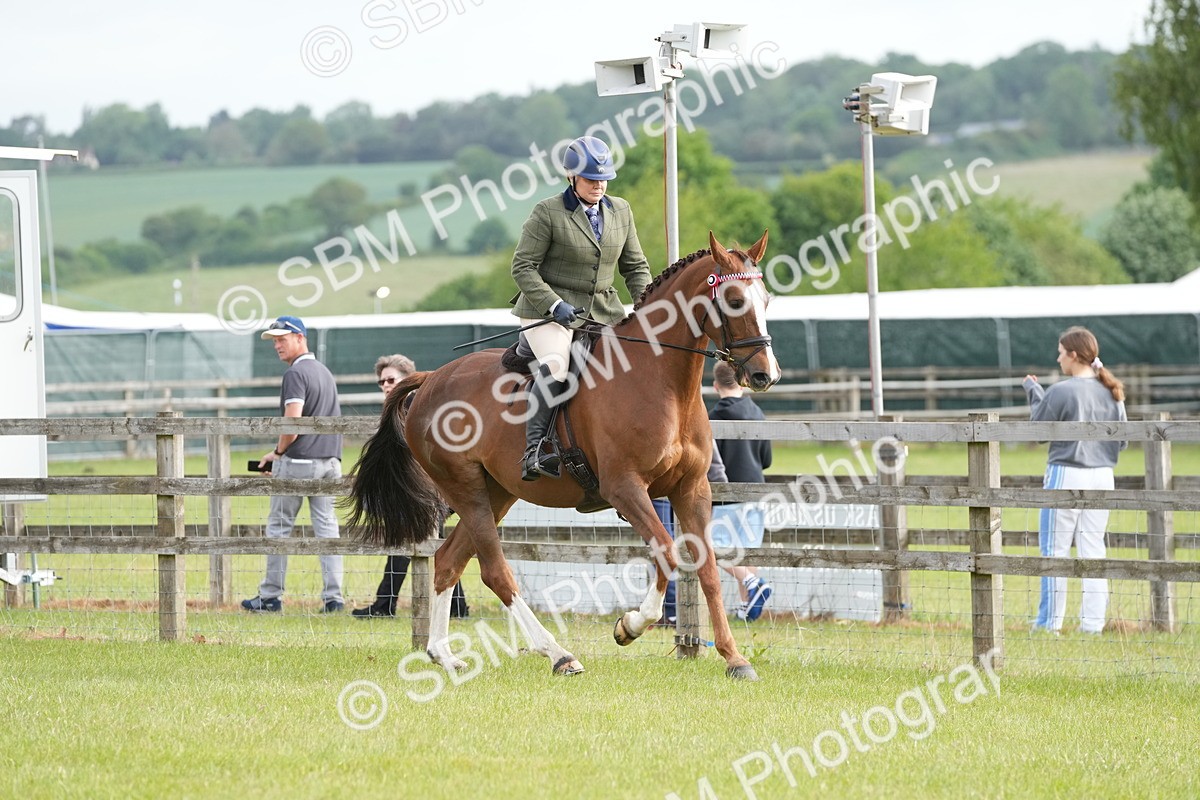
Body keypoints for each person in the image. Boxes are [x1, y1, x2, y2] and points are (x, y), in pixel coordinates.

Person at [510, 135, 652, 481]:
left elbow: (635, 267)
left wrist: (648, 309)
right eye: (591, 179)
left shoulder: (621, 211)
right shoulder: (548, 212)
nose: (599, 185)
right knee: (558, 365)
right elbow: (522, 267)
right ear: (572, 178)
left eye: (604, 179)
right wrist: (553, 304)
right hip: (548, 313)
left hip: (604, 309)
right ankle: (535, 450)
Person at [1024, 326, 1126, 635]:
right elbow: (1121, 441)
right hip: (1103, 475)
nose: (1057, 359)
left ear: (1072, 355)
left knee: (1054, 550)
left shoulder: (1061, 390)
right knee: (1093, 550)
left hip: (1066, 471)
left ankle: (1048, 624)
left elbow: (1038, 431)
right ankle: (1092, 625)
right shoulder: (1113, 392)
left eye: (1060, 353)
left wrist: (1033, 391)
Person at [242, 315, 345, 614]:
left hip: (300, 461)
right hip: (330, 461)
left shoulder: (295, 374)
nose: (276, 345)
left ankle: (270, 596)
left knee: (278, 528)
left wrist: (277, 452)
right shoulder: (324, 372)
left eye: (282, 338)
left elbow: (293, 421)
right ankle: (333, 598)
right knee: (327, 530)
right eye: (274, 340)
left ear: (300, 337)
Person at [352, 354, 469, 619]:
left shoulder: (416, 404)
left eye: (391, 379)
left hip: (432, 490)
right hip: (425, 490)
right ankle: (457, 606)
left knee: (420, 544)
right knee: (437, 545)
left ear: (407, 378)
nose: (385, 385)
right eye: (382, 381)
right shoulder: (406, 405)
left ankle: (385, 604)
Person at [709, 361, 774, 621]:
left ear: (715, 386)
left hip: (727, 493)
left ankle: (751, 584)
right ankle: (748, 606)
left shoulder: (713, 416)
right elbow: (766, 459)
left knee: (714, 548)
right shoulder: (758, 413)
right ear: (744, 381)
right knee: (747, 549)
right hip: (756, 490)